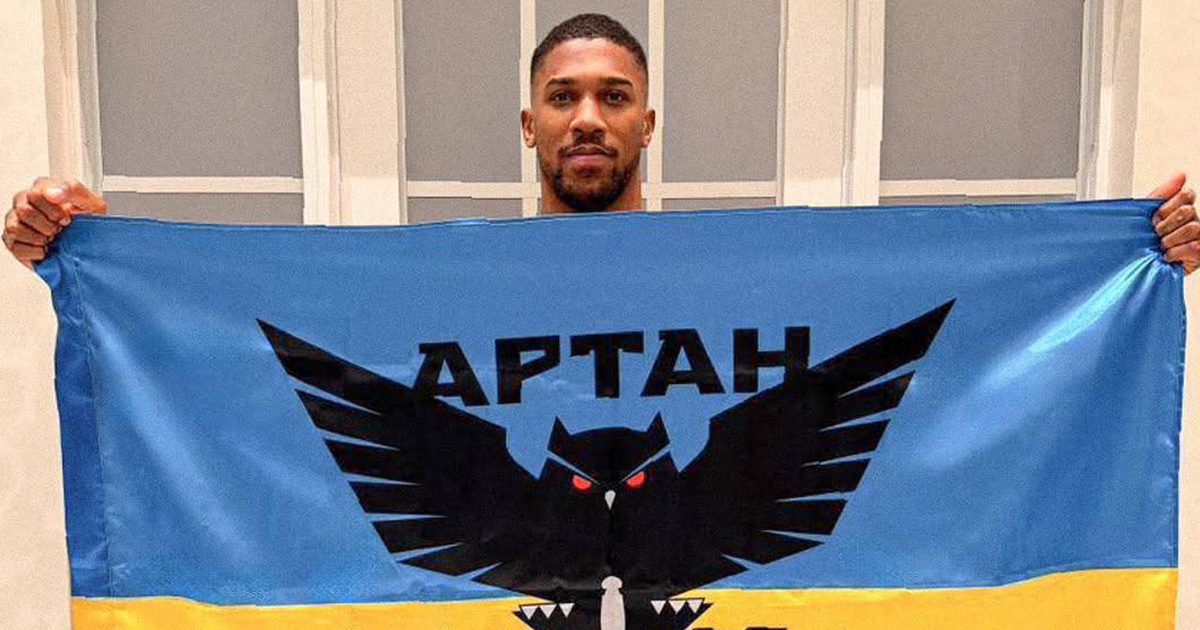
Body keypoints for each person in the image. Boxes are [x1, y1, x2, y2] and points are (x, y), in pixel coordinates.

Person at [5, 13, 1199, 273]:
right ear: (528, 125)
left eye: (614, 96)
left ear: (648, 123)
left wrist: (1141, 256)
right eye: (565, 97)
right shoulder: (448, 279)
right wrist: (93, 252)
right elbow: (244, 356)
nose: (589, 118)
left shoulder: (732, 278)